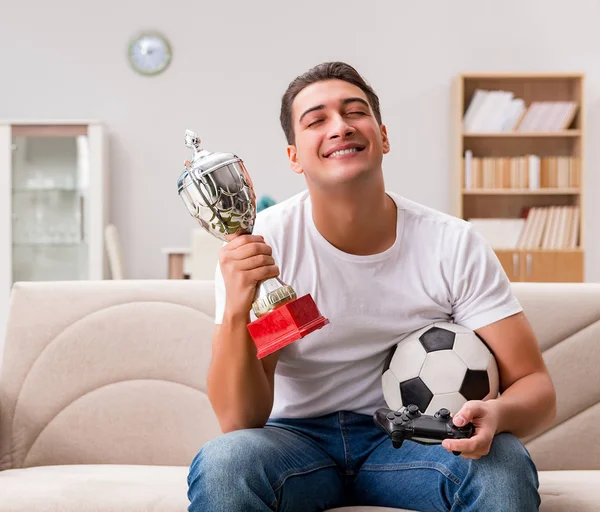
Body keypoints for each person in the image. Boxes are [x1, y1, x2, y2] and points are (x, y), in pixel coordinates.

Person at [187, 62, 556, 512]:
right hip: (293, 443)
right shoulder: (262, 244)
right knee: (225, 463)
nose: (340, 127)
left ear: (382, 136)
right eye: (317, 120)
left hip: (414, 437)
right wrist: (234, 314)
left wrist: (498, 415)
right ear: (294, 157)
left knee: (504, 463)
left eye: (354, 112)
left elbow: (536, 387)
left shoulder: (450, 243)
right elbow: (240, 420)